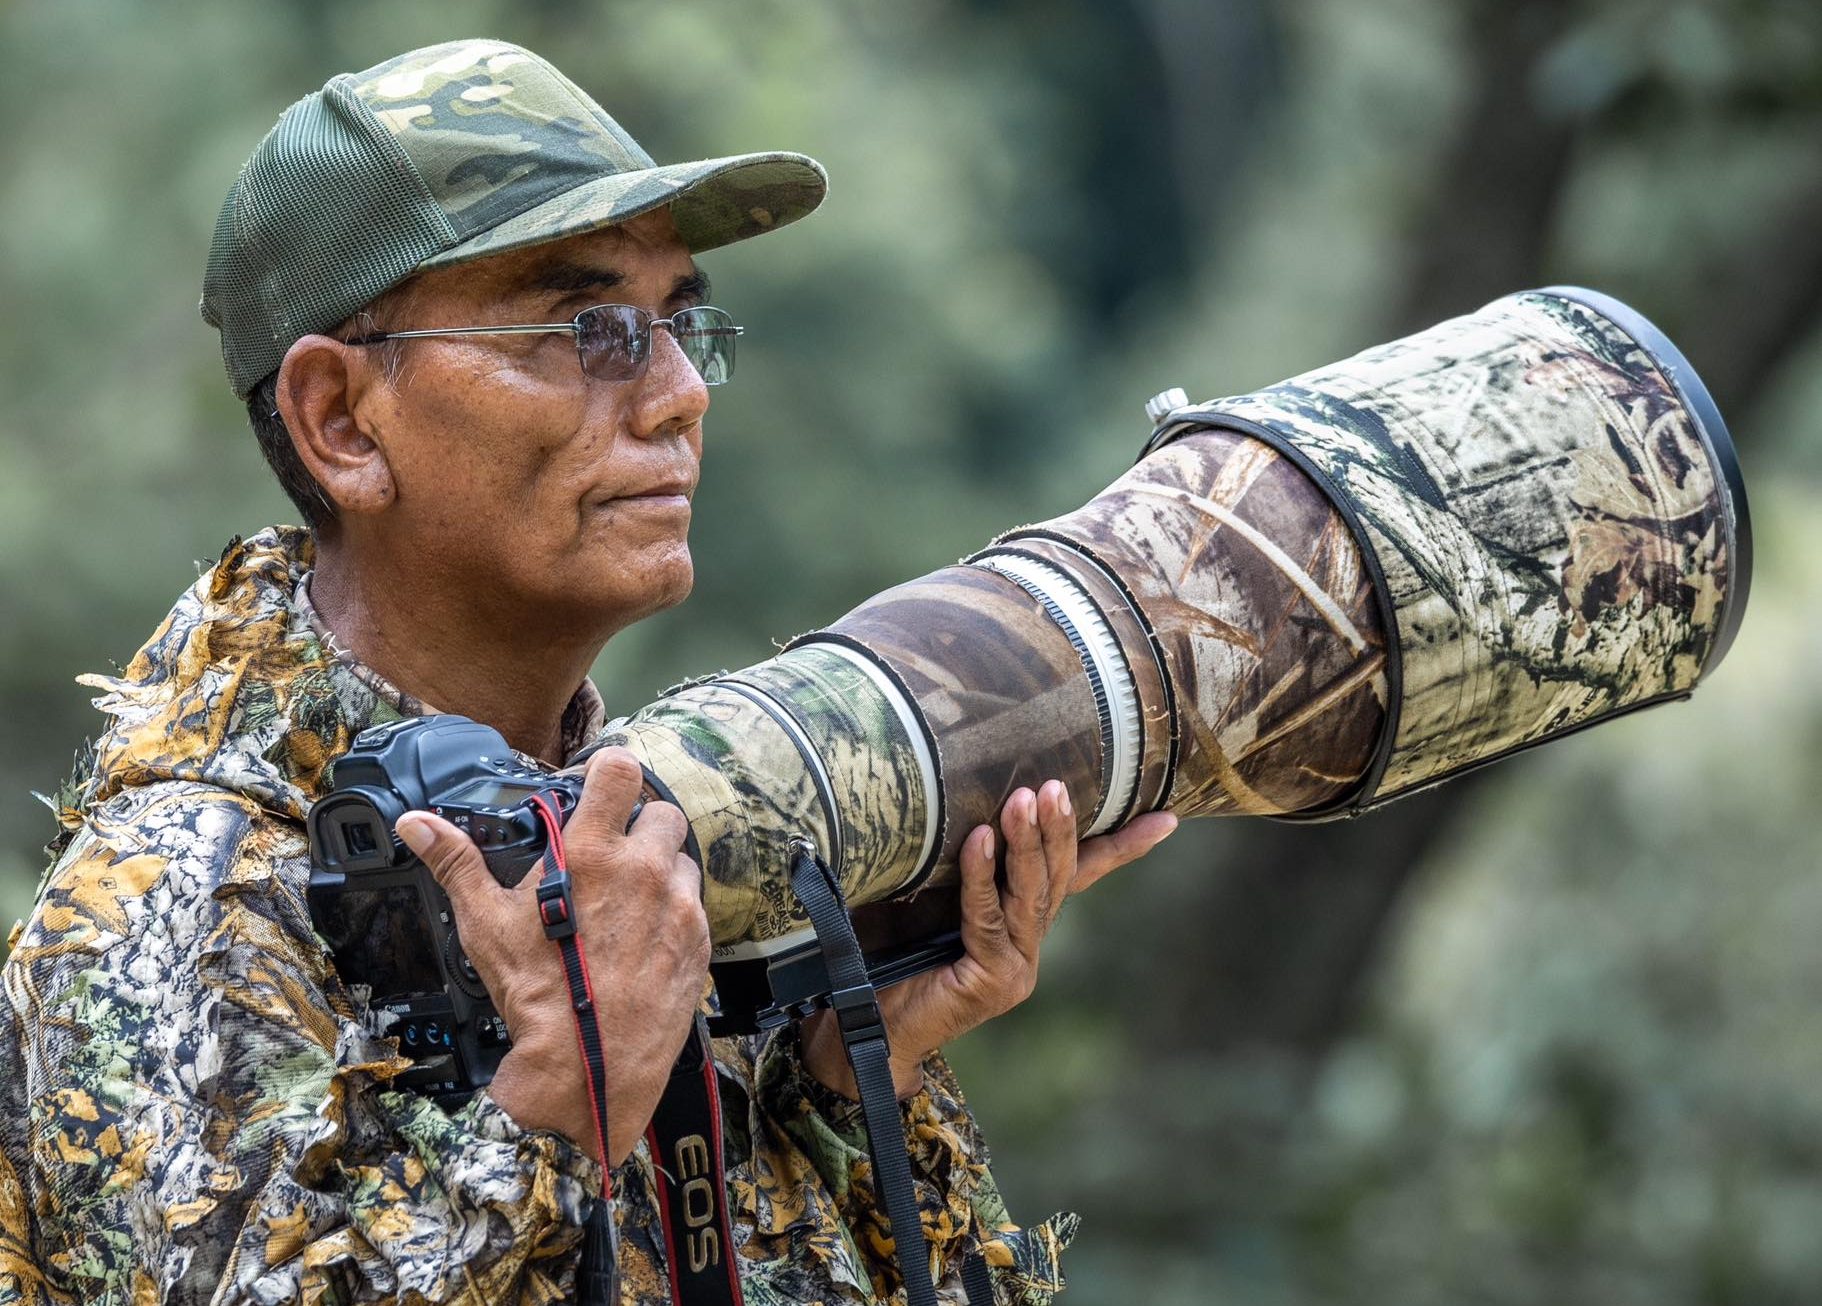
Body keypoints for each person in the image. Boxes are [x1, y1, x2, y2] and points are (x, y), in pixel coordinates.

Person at [0, 38, 1176, 1306]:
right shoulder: (170, 901)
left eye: (680, 323)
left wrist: (848, 1077)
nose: (679, 396)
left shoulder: (662, 841)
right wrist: (559, 1107)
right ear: (342, 420)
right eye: (589, 327)